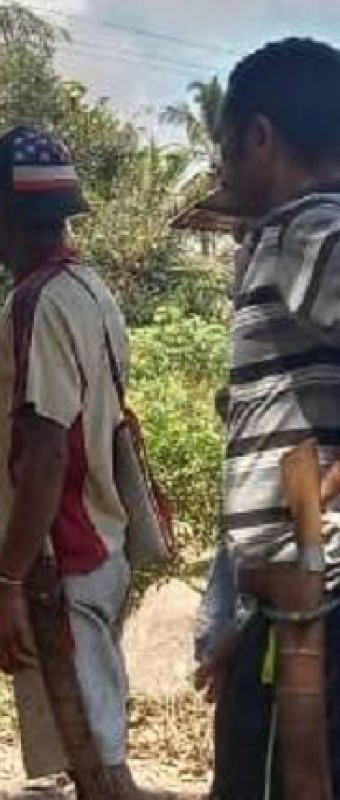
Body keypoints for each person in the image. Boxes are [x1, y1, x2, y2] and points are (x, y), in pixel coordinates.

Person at [0, 127, 139, 797]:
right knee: (95, 745)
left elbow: (44, 453)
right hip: (97, 544)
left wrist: (9, 584)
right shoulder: (89, 290)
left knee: (95, 759)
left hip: (58, 563)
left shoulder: (39, 302)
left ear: (6, 213)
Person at [212, 37, 340, 799]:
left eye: (224, 146)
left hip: (315, 600)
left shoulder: (308, 229)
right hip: (291, 596)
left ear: (260, 136)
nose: (222, 167)